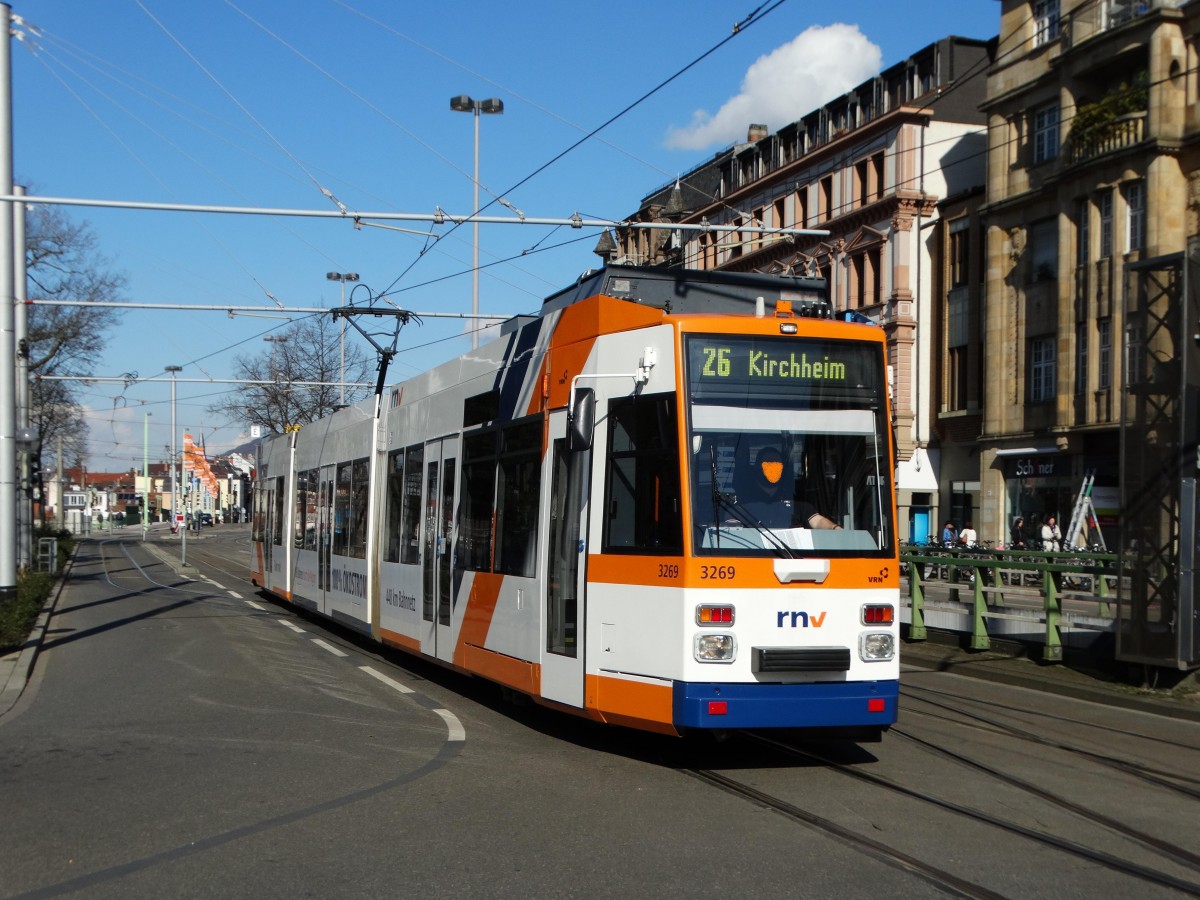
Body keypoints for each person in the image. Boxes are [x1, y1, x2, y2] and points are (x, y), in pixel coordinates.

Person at [737, 446, 839, 529]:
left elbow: (817, 521)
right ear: (757, 467)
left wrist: (835, 528)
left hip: (793, 554)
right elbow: (731, 525)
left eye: (777, 464)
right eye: (768, 463)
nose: (773, 467)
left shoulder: (796, 501)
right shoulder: (743, 503)